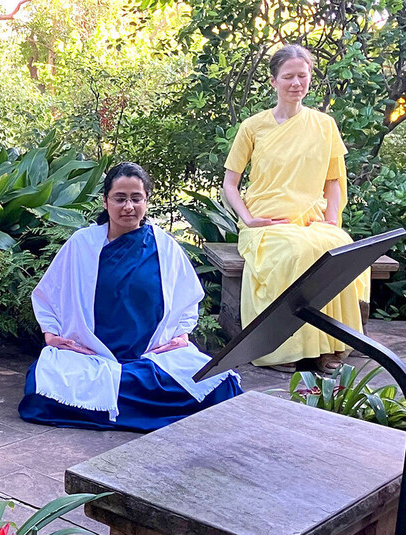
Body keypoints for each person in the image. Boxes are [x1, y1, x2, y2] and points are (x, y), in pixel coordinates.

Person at [18, 163, 243, 431]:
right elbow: (49, 294)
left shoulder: (165, 247)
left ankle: (108, 407)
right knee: (40, 386)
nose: (128, 207)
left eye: (136, 199)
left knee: (222, 382)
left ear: (146, 201)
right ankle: (145, 405)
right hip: (91, 356)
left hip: (150, 357)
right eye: (120, 198)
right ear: (105, 201)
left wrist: (181, 335)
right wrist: (52, 335)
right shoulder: (82, 244)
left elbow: (187, 298)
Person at [223, 44, 369, 372]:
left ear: (310, 78)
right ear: (273, 81)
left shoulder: (324, 125)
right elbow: (229, 184)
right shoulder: (253, 126)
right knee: (295, 251)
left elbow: (334, 180)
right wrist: (248, 219)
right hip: (268, 222)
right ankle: (283, 350)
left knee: (338, 246)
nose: (295, 83)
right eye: (288, 76)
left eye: (302, 76)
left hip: (313, 219)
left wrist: (332, 219)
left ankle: (332, 344)